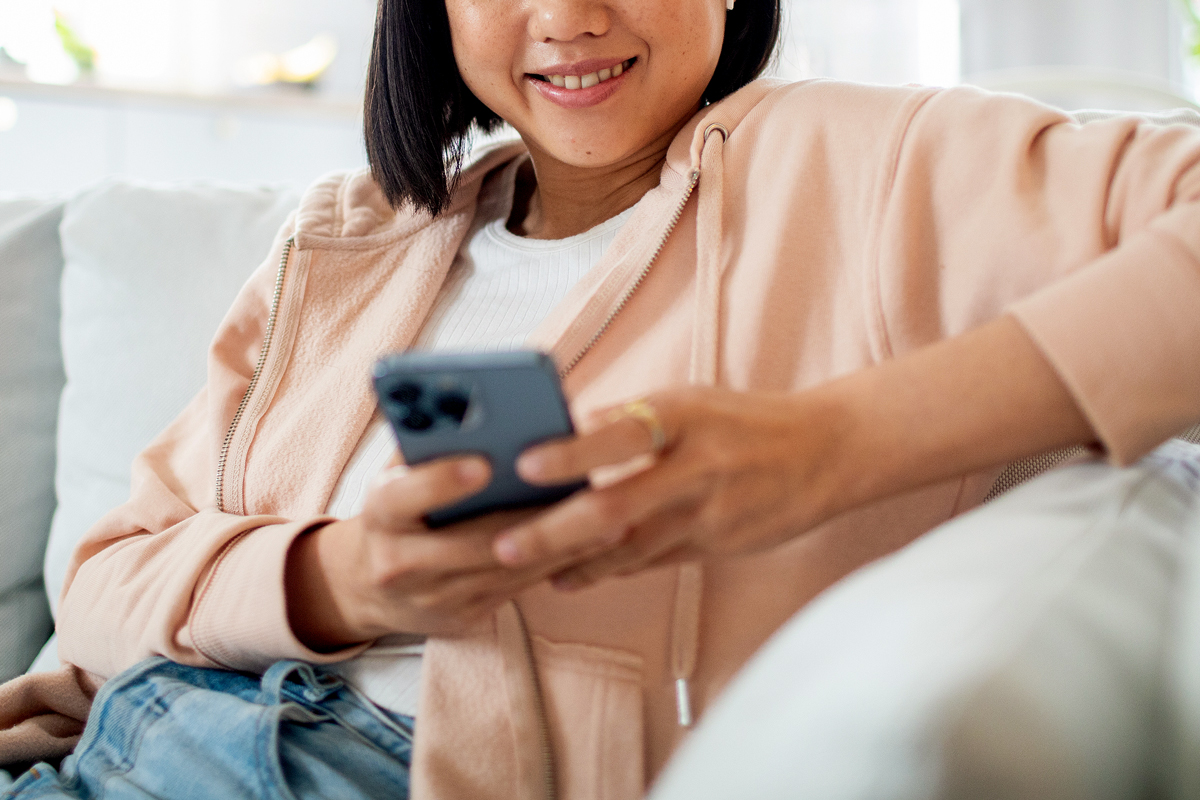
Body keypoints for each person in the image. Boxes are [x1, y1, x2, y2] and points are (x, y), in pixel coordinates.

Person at [3, 0, 1200, 796]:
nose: (569, 14)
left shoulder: (873, 164)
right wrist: (344, 574)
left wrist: (832, 442)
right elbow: (107, 585)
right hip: (143, 737)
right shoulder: (345, 242)